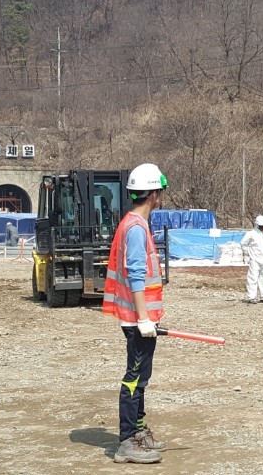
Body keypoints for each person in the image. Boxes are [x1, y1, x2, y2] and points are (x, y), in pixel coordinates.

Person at [103, 163, 169, 464]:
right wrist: (143, 318)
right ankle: (127, 440)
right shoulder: (135, 228)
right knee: (134, 379)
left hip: (142, 319)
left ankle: (139, 431)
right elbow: (136, 274)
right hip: (136, 319)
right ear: (155, 193)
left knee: (141, 377)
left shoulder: (135, 223)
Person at [240, 214, 263, 303]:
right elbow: (243, 243)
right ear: (257, 225)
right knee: (253, 277)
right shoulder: (251, 234)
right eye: (261, 226)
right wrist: (248, 253)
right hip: (254, 259)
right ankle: (251, 297)